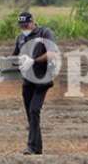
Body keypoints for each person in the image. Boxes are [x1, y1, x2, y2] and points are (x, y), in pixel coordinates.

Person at [13, 12, 57, 155]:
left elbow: (52, 53)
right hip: (28, 81)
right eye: (21, 26)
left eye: (26, 25)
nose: (24, 28)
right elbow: (15, 57)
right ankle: (37, 148)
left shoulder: (44, 33)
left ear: (33, 22)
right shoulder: (20, 38)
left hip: (42, 79)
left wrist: (34, 60)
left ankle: (32, 146)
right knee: (30, 115)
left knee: (34, 110)